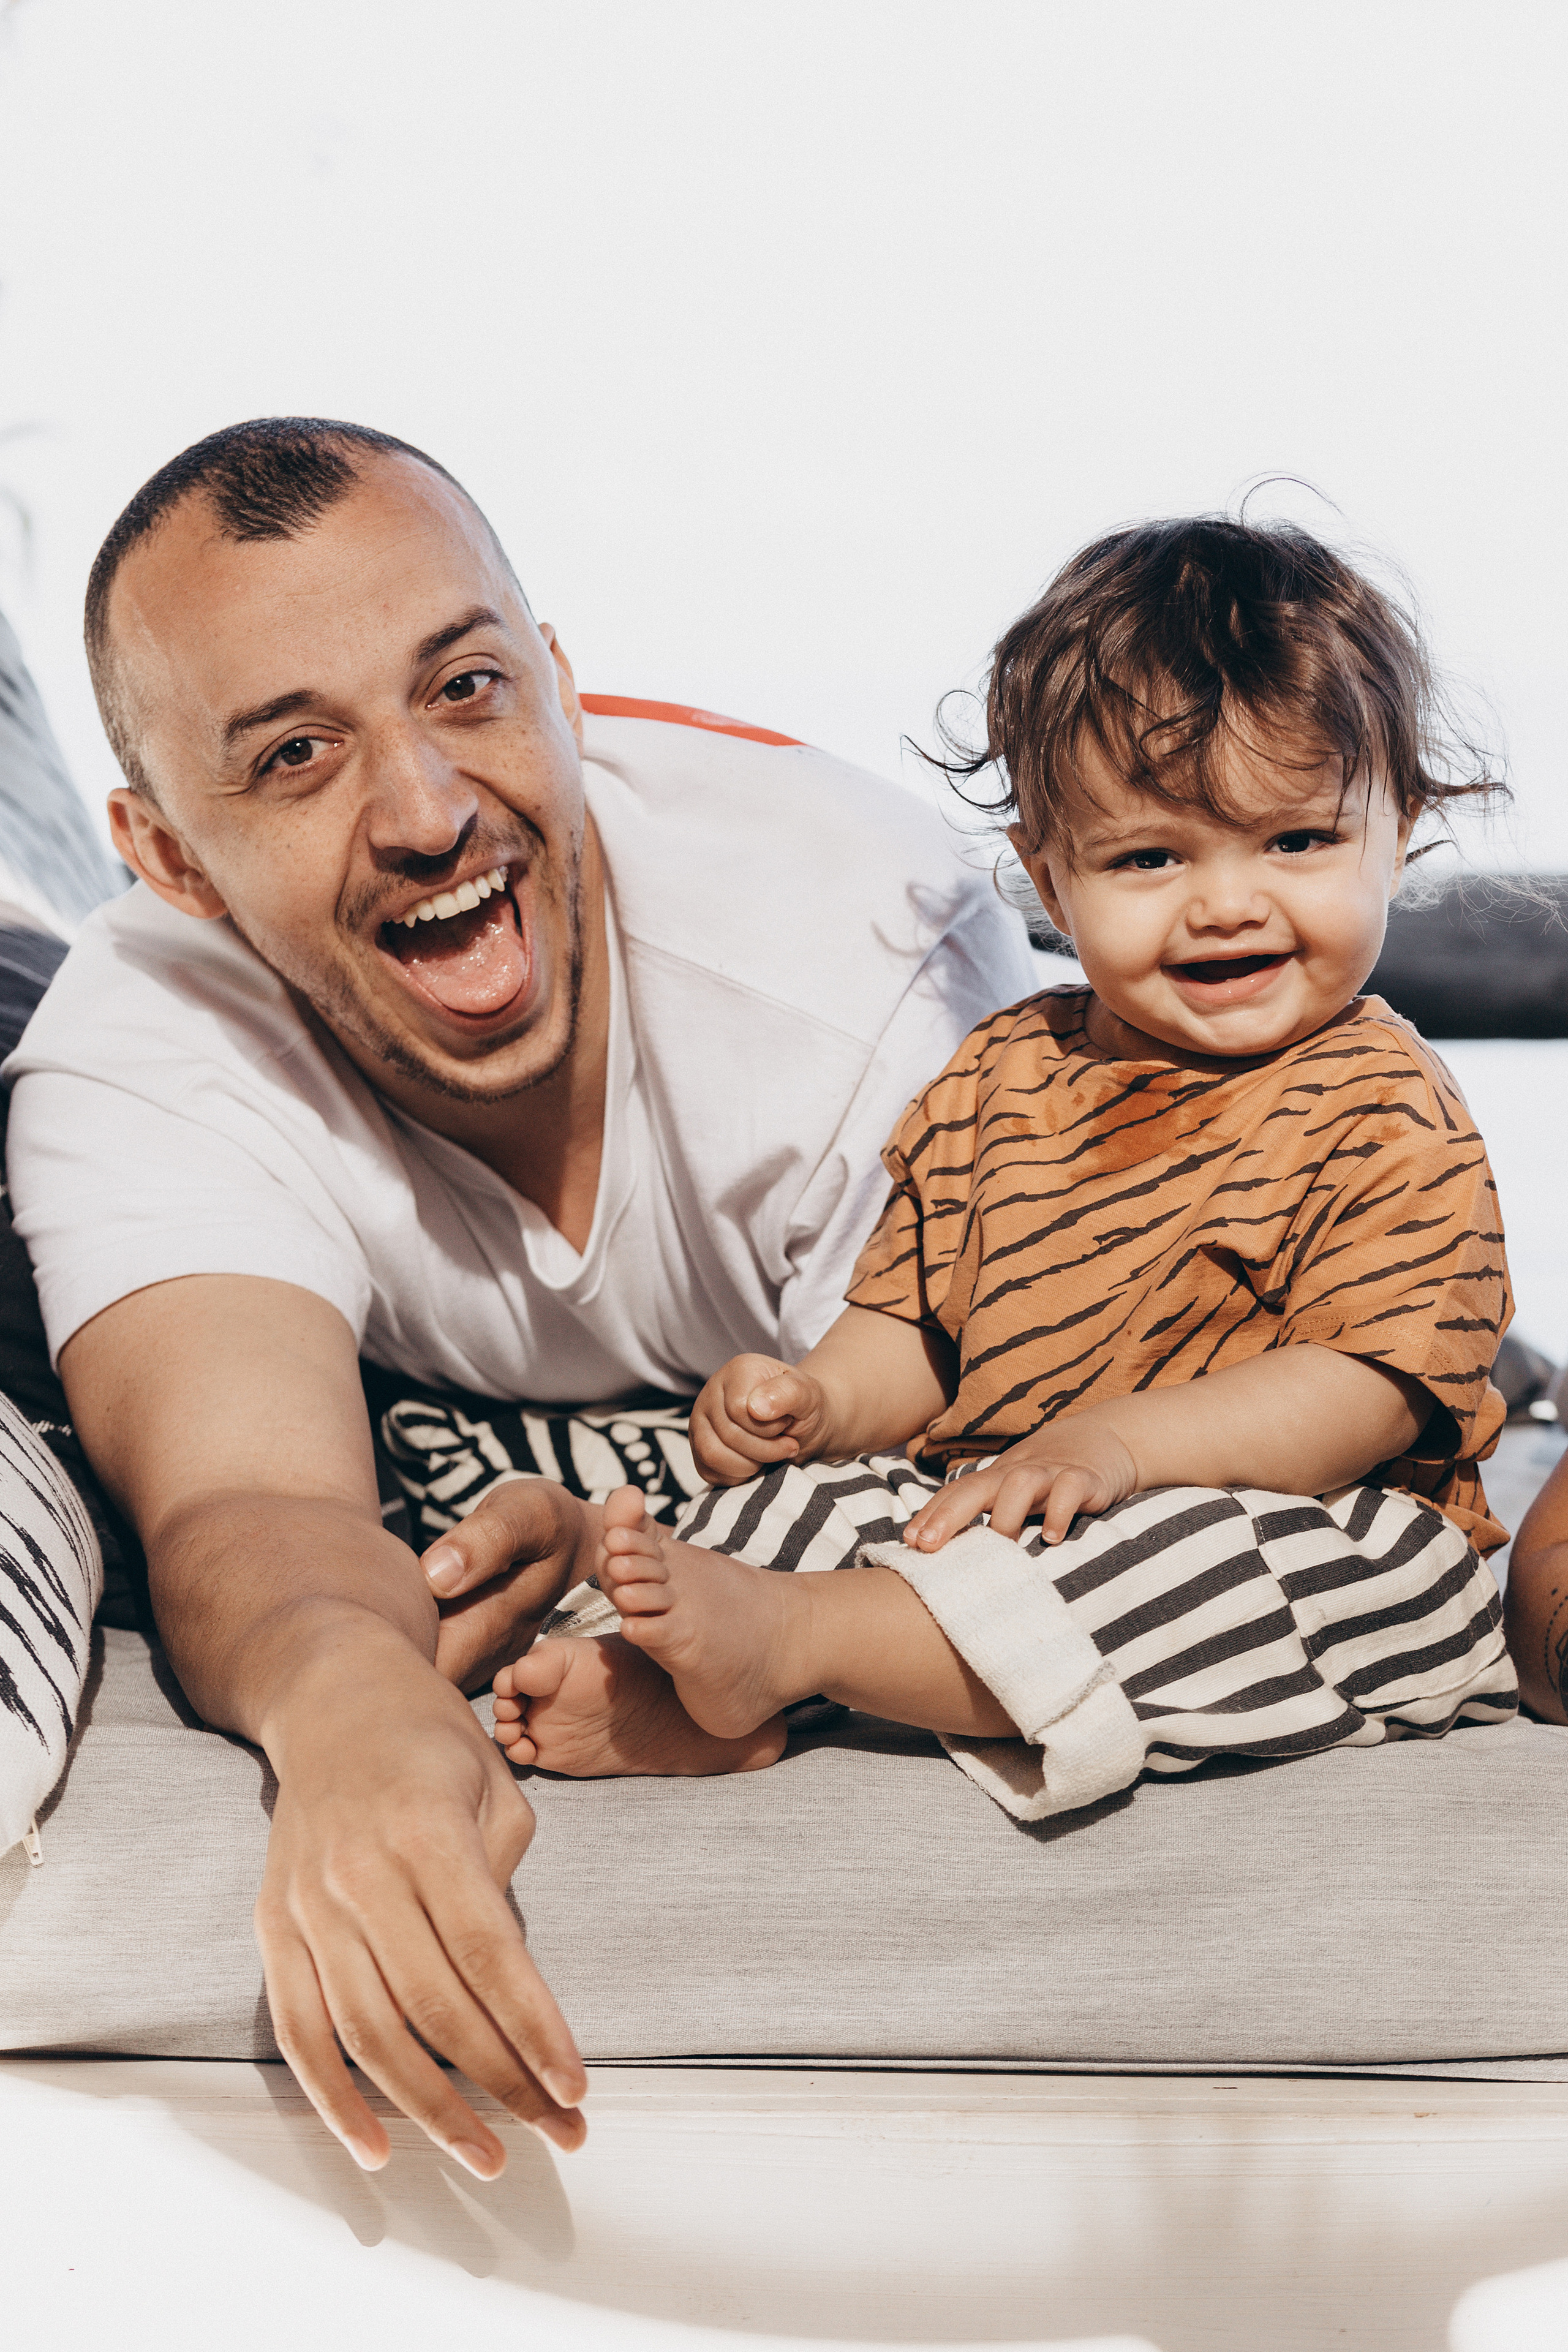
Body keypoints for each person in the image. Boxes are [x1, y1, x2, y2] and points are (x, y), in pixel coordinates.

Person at [2, 418, 1034, 2173]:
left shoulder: (869, 964)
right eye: (299, 755)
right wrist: (348, 1698)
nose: (423, 811)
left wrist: (659, 1566)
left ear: (558, 685)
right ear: (167, 858)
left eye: (469, 688)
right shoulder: (134, 1046)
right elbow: (247, 1493)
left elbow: (990, 1475)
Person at [488, 518, 1520, 1819]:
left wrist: (1113, 1447)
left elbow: (1362, 1392)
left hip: (1325, 1517)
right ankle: (691, 1676)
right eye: (1148, 858)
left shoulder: (1382, 1104)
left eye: (1296, 843)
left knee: (1247, 1579)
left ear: (1398, 833)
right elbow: (918, 1329)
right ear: (1048, 871)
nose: (1224, 902)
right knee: (817, 1502)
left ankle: (798, 1649)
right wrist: (816, 1402)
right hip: (1007, 1501)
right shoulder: (998, 1076)